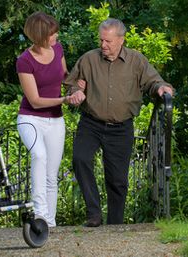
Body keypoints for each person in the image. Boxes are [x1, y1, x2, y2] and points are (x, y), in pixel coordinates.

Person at [64, 18, 173, 226]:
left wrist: (161, 88)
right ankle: (93, 214)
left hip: (121, 127)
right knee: (80, 159)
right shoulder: (88, 59)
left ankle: (115, 225)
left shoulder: (136, 61)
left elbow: (153, 81)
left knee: (118, 181)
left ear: (121, 40)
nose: (103, 45)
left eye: (108, 41)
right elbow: (70, 83)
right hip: (91, 123)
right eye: (101, 40)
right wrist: (75, 92)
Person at [16, 11, 70, 227]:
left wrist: (76, 86)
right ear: (39, 36)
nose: (56, 36)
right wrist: (65, 99)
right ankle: (39, 215)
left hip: (55, 120)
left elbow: (64, 76)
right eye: (52, 33)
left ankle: (49, 223)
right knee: (39, 156)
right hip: (31, 118)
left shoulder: (57, 49)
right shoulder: (25, 61)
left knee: (51, 175)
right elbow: (36, 101)